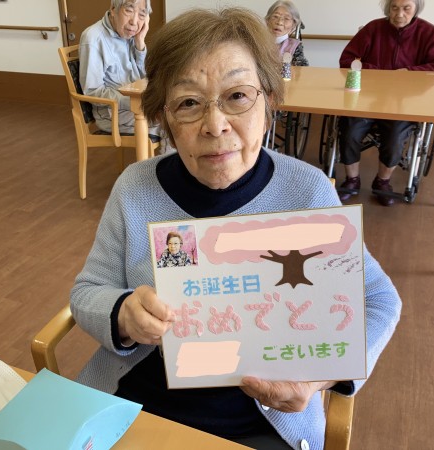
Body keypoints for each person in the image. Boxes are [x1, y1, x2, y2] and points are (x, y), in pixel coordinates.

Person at [71, 7, 401, 450]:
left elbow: (379, 300)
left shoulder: (306, 191)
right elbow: (88, 291)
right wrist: (123, 314)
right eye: (189, 103)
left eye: (238, 96)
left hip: (260, 423)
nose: (215, 125)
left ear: (269, 101)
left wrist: (320, 377)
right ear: (164, 118)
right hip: (133, 404)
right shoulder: (135, 187)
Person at [337, 0, 434, 206]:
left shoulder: (427, 32)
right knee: (350, 128)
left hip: (404, 102)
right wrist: (378, 73)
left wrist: (408, 73)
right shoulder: (373, 28)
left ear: (415, 9)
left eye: (406, 8)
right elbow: (347, 60)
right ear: (388, 9)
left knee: (396, 136)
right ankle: (352, 179)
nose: (399, 14)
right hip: (367, 98)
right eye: (394, 8)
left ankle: (382, 181)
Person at [78, 0, 159, 137]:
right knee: (173, 123)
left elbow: (146, 77)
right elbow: (92, 92)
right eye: (129, 10)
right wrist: (134, 103)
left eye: (141, 14)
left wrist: (140, 42)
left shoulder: (131, 35)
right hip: (112, 114)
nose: (134, 22)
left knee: (180, 114)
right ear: (113, 9)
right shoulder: (93, 38)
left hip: (137, 104)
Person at [265, 0, 309, 67]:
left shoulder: (294, 46)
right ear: (267, 20)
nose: (279, 22)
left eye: (286, 19)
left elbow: (302, 69)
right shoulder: (257, 42)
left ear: (293, 25)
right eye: (275, 16)